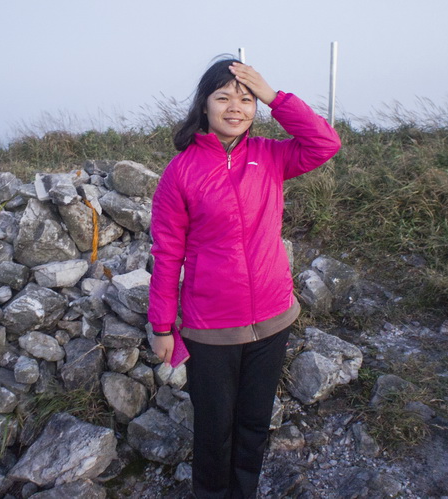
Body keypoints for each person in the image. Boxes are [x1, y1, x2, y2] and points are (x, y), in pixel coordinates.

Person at [147, 57, 341, 498]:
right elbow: (168, 253)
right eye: (224, 98)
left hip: (273, 319)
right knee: (214, 429)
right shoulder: (181, 173)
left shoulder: (272, 156)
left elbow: (325, 142)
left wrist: (276, 97)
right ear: (204, 105)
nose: (235, 107)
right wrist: (161, 325)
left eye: (246, 99)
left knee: (254, 423)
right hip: (211, 328)